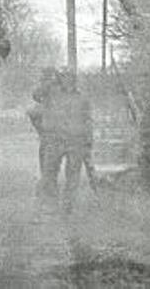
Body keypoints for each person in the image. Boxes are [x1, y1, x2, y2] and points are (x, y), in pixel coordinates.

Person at [31, 68, 93, 211]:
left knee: (73, 174)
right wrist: (51, 82)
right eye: (64, 77)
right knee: (49, 172)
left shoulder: (82, 97)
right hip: (54, 139)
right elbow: (35, 95)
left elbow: (88, 120)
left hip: (75, 141)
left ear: (74, 79)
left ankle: (68, 204)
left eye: (70, 76)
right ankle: (51, 202)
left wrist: (88, 141)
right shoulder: (51, 93)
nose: (67, 79)